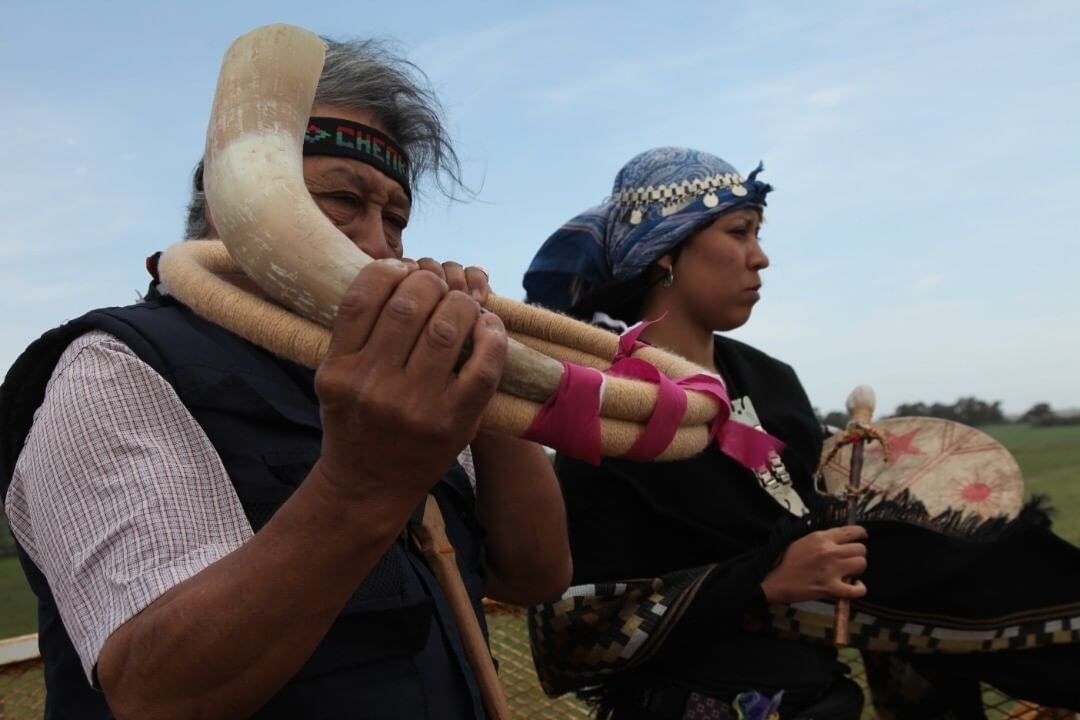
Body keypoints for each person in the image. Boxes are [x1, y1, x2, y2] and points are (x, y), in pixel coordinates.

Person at [0, 38, 571, 719]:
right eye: (341, 199)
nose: (378, 244)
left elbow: (534, 573)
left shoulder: (391, 374)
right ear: (231, 208)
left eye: (395, 218)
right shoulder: (116, 365)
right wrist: (366, 485)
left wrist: (482, 372)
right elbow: (156, 691)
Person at [523, 147, 1080, 719]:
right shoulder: (614, 407)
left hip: (823, 699)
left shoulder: (772, 381)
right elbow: (570, 635)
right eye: (739, 232)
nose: (760, 257)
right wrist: (763, 581)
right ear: (667, 254)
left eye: (759, 234)